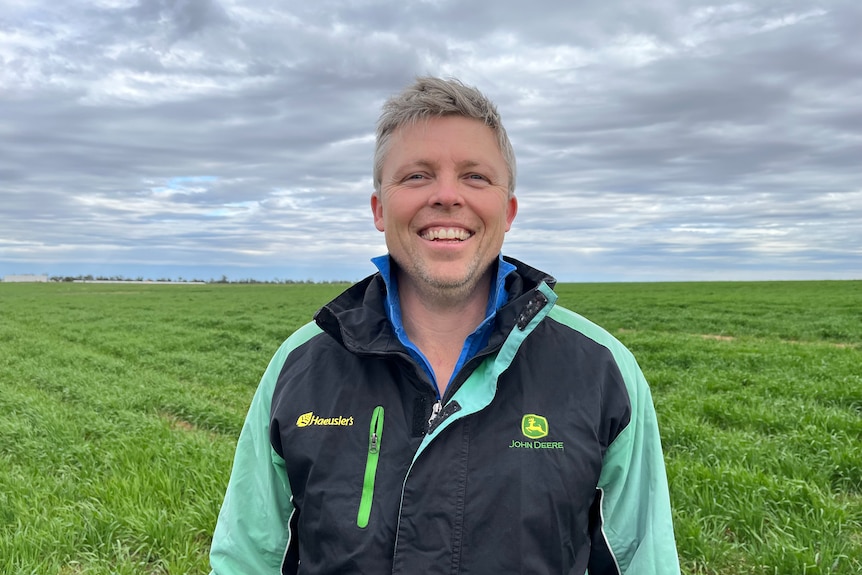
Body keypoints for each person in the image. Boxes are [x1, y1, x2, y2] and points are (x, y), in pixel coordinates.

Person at [209, 76, 680, 574]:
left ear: (508, 211)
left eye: (476, 177)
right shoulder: (300, 365)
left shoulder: (603, 371)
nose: (447, 196)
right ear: (378, 209)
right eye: (416, 176)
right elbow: (247, 559)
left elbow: (640, 560)